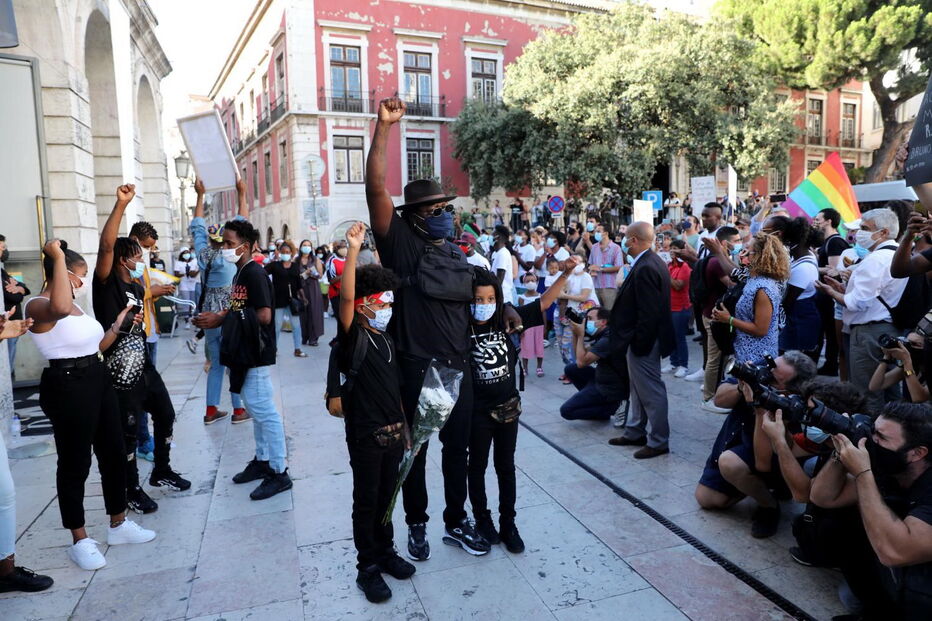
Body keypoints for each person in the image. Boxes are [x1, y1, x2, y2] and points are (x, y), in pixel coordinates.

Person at [365, 97, 522, 561]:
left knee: (460, 451)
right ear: (414, 213)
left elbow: (485, 289)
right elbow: (376, 187)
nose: (442, 212)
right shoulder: (400, 244)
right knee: (416, 454)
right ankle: (417, 524)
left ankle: (456, 521)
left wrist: (508, 307)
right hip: (419, 368)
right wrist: (385, 128)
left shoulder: (458, 250)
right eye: (433, 207)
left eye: (445, 206)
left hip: (461, 369)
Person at [27, 239, 157, 570]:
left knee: (113, 452)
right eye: (80, 275)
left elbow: (96, 344)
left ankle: (118, 522)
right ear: (63, 273)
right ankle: (80, 538)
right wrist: (56, 256)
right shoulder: (38, 305)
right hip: (67, 384)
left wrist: (118, 325)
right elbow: (56, 310)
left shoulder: (77, 306)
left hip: (97, 376)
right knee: (75, 463)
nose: (83, 282)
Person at [467, 260, 575, 554]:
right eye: (478, 299)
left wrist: (564, 274)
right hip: (476, 413)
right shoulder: (460, 327)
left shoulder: (504, 319)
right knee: (476, 467)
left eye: (490, 299)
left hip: (507, 410)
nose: (484, 304)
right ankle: (482, 519)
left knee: (506, 467)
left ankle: (508, 523)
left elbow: (545, 302)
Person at [93, 185, 189, 514]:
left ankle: (161, 470)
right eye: (136, 256)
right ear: (122, 259)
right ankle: (131, 488)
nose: (141, 261)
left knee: (166, 414)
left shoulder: (135, 284)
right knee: (129, 433)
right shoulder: (107, 282)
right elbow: (106, 245)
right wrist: (120, 205)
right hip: (120, 374)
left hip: (143, 366)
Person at [336, 221, 415, 603]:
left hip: (393, 432)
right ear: (367, 302)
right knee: (366, 500)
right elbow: (346, 300)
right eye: (382, 301)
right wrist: (353, 249)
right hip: (365, 434)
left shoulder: (387, 338)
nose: (387, 307)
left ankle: (386, 552)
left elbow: (396, 389)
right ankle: (366, 566)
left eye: (389, 301)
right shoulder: (356, 336)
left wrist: (406, 428)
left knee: (387, 497)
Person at [193, 218, 293, 501]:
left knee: (264, 411)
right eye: (223, 242)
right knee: (254, 406)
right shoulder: (239, 273)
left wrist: (221, 316)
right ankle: (263, 460)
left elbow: (264, 315)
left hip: (256, 353)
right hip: (242, 351)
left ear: (245, 247)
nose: (224, 248)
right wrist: (217, 319)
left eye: (229, 243)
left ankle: (279, 470)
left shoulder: (254, 273)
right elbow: (240, 309)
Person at [811, 402, 932, 618]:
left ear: (917, 453)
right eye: (873, 431)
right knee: (836, 525)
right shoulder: (892, 466)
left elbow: (894, 553)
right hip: (898, 563)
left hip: (921, 581)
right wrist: (841, 452)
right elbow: (823, 497)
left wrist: (863, 473)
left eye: (882, 438)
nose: (873, 441)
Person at [694, 351, 816, 537]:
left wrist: (759, 407)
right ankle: (755, 487)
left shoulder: (794, 407)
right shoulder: (765, 369)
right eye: (768, 369)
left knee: (730, 464)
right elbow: (719, 400)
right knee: (707, 498)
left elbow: (763, 464)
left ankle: (768, 505)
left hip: (772, 460)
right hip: (738, 442)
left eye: (773, 379)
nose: (765, 376)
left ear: (790, 391)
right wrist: (740, 388)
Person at [815, 208, 906, 412]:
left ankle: (869, 437)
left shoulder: (876, 259)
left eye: (865, 229)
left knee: (867, 392)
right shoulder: (897, 254)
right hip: (888, 329)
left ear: (883, 232)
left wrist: (831, 291)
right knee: (889, 391)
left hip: (869, 332)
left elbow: (856, 303)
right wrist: (843, 289)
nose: (859, 234)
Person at [607, 222, 674, 459]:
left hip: (644, 340)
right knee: (637, 389)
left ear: (634, 240)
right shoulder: (648, 262)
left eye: (626, 238)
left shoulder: (647, 266)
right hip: (639, 339)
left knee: (651, 391)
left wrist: (639, 343)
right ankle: (635, 431)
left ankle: (658, 441)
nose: (623, 242)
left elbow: (650, 313)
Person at [190, 177, 248, 425]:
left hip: (207, 312)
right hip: (229, 311)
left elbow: (197, 228)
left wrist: (200, 196)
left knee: (215, 363)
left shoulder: (204, 255)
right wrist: (241, 193)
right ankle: (237, 410)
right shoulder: (230, 257)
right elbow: (243, 224)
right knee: (234, 361)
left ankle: (211, 409)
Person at [712, 233, 788, 365]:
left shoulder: (763, 288)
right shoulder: (752, 278)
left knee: (727, 387)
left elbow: (760, 330)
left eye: (747, 249)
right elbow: (734, 273)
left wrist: (728, 319)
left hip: (756, 358)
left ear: (759, 256)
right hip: (744, 353)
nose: (742, 252)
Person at [560, 306, 628, 422]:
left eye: (590, 319)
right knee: (571, 369)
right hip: (602, 377)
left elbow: (581, 363)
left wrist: (581, 335)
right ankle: (594, 402)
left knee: (566, 411)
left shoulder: (608, 339)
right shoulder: (603, 333)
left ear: (603, 322)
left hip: (609, 387)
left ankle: (611, 408)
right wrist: (575, 334)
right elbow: (579, 359)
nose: (586, 322)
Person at [698, 227, 741, 412]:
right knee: (715, 359)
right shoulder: (717, 262)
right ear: (725, 243)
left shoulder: (718, 260)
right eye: (737, 240)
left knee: (720, 358)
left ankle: (715, 393)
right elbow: (735, 284)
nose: (740, 244)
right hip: (715, 316)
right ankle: (709, 398)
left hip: (713, 313)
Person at [813, 208, 850, 375]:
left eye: (818, 219)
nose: (815, 221)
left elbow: (833, 270)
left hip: (830, 294)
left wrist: (810, 266)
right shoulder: (827, 242)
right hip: (825, 293)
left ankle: (831, 365)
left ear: (829, 221)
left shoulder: (835, 242)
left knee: (830, 329)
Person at [265, 240, 307, 358]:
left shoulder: (294, 266)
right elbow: (262, 273)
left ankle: (297, 349)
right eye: (283, 252)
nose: (285, 253)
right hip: (278, 300)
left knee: (296, 326)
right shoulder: (274, 265)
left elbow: (299, 284)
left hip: (292, 301)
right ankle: (273, 349)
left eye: (287, 252)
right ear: (279, 252)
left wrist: (303, 297)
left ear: (291, 253)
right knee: (277, 325)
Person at [557, 251, 598, 366]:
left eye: (578, 261)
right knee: (568, 343)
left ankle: (576, 366)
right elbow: (561, 291)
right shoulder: (569, 276)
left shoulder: (586, 277)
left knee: (577, 343)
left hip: (584, 314)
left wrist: (565, 296)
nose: (575, 264)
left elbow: (584, 297)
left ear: (584, 263)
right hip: (571, 314)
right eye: (573, 261)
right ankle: (571, 368)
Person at [0, 235, 29, 379]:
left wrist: (19, 288)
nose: (4, 250)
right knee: (6, 365)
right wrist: (18, 292)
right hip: (6, 326)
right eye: (2, 247)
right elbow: (12, 296)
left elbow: (23, 287)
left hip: (12, 325)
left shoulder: (2, 272)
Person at [668, 239, 693, 378]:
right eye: (671, 248)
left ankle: (684, 365)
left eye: (675, 248)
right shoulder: (669, 265)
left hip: (681, 307)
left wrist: (666, 274)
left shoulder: (685, 267)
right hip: (670, 306)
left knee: (680, 337)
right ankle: (673, 362)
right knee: (671, 336)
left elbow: (679, 285)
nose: (672, 250)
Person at [297, 239, 325, 347]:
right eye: (304, 245)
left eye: (308, 245)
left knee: (315, 312)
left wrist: (311, 273)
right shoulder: (296, 260)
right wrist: (305, 274)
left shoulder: (315, 259)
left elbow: (320, 274)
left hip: (313, 288)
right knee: (303, 313)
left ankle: (314, 338)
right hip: (301, 288)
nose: (306, 247)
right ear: (300, 247)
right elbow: (295, 275)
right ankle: (305, 336)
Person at [588, 223, 622, 310]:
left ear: (606, 233)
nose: (596, 233)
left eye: (599, 231)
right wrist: (591, 269)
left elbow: (619, 267)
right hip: (595, 286)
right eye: (596, 231)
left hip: (609, 286)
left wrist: (600, 268)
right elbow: (591, 264)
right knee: (597, 314)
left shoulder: (616, 248)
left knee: (609, 313)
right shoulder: (594, 247)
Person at [518, 273, 544, 377]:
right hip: (526, 326)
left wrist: (545, 326)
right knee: (526, 347)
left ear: (537, 282)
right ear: (523, 283)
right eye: (527, 281)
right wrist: (520, 328)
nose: (530, 283)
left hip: (539, 325)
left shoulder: (540, 296)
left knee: (539, 347)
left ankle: (539, 367)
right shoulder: (521, 298)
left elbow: (543, 312)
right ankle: (525, 368)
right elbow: (519, 314)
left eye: (532, 281)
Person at [490, 225, 515, 305]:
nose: (490, 236)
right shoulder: (496, 253)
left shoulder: (503, 254)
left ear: (498, 237)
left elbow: (499, 279)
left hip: (503, 298)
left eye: (492, 234)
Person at [174, 246, 199, 326]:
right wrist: (185, 274)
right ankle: (186, 320)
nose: (186, 254)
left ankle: (192, 318)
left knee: (193, 302)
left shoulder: (193, 262)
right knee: (186, 302)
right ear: (181, 254)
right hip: (184, 284)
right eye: (184, 253)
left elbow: (194, 273)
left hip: (192, 283)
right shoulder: (178, 263)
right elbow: (176, 274)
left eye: (187, 253)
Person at [327, 241, 347, 312]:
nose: (344, 249)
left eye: (345, 247)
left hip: (347, 292)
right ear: (336, 248)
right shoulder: (332, 261)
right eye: (342, 247)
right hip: (336, 294)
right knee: (340, 317)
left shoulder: (348, 259)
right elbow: (331, 280)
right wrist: (345, 275)